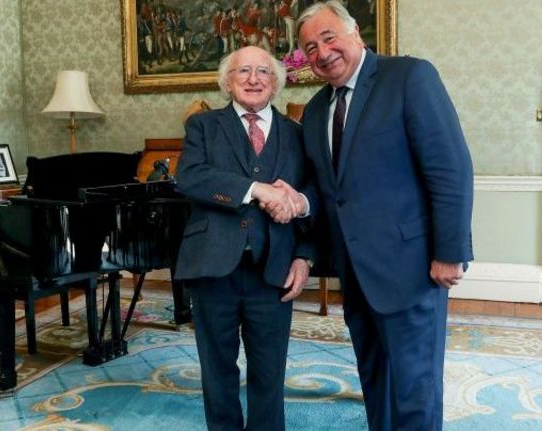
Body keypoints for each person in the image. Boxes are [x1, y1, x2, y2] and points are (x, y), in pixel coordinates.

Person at [285, 1, 473, 429]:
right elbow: (326, 191)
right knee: (375, 378)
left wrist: (450, 251)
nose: (322, 52)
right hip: (356, 272)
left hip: (411, 267)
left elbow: (450, 167)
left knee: (415, 385)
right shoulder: (315, 111)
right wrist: (306, 242)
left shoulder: (408, 77)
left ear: (355, 33)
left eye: (329, 37)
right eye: (310, 47)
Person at [173, 46, 313, 431]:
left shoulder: (297, 134)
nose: (254, 79)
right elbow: (191, 177)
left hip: (275, 269)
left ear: (276, 82)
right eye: (244, 72)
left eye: (263, 72)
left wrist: (304, 257)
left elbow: (312, 197)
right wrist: (257, 189)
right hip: (212, 267)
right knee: (217, 369)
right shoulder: (203, 126)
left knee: (270, 370)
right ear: (227, 82)